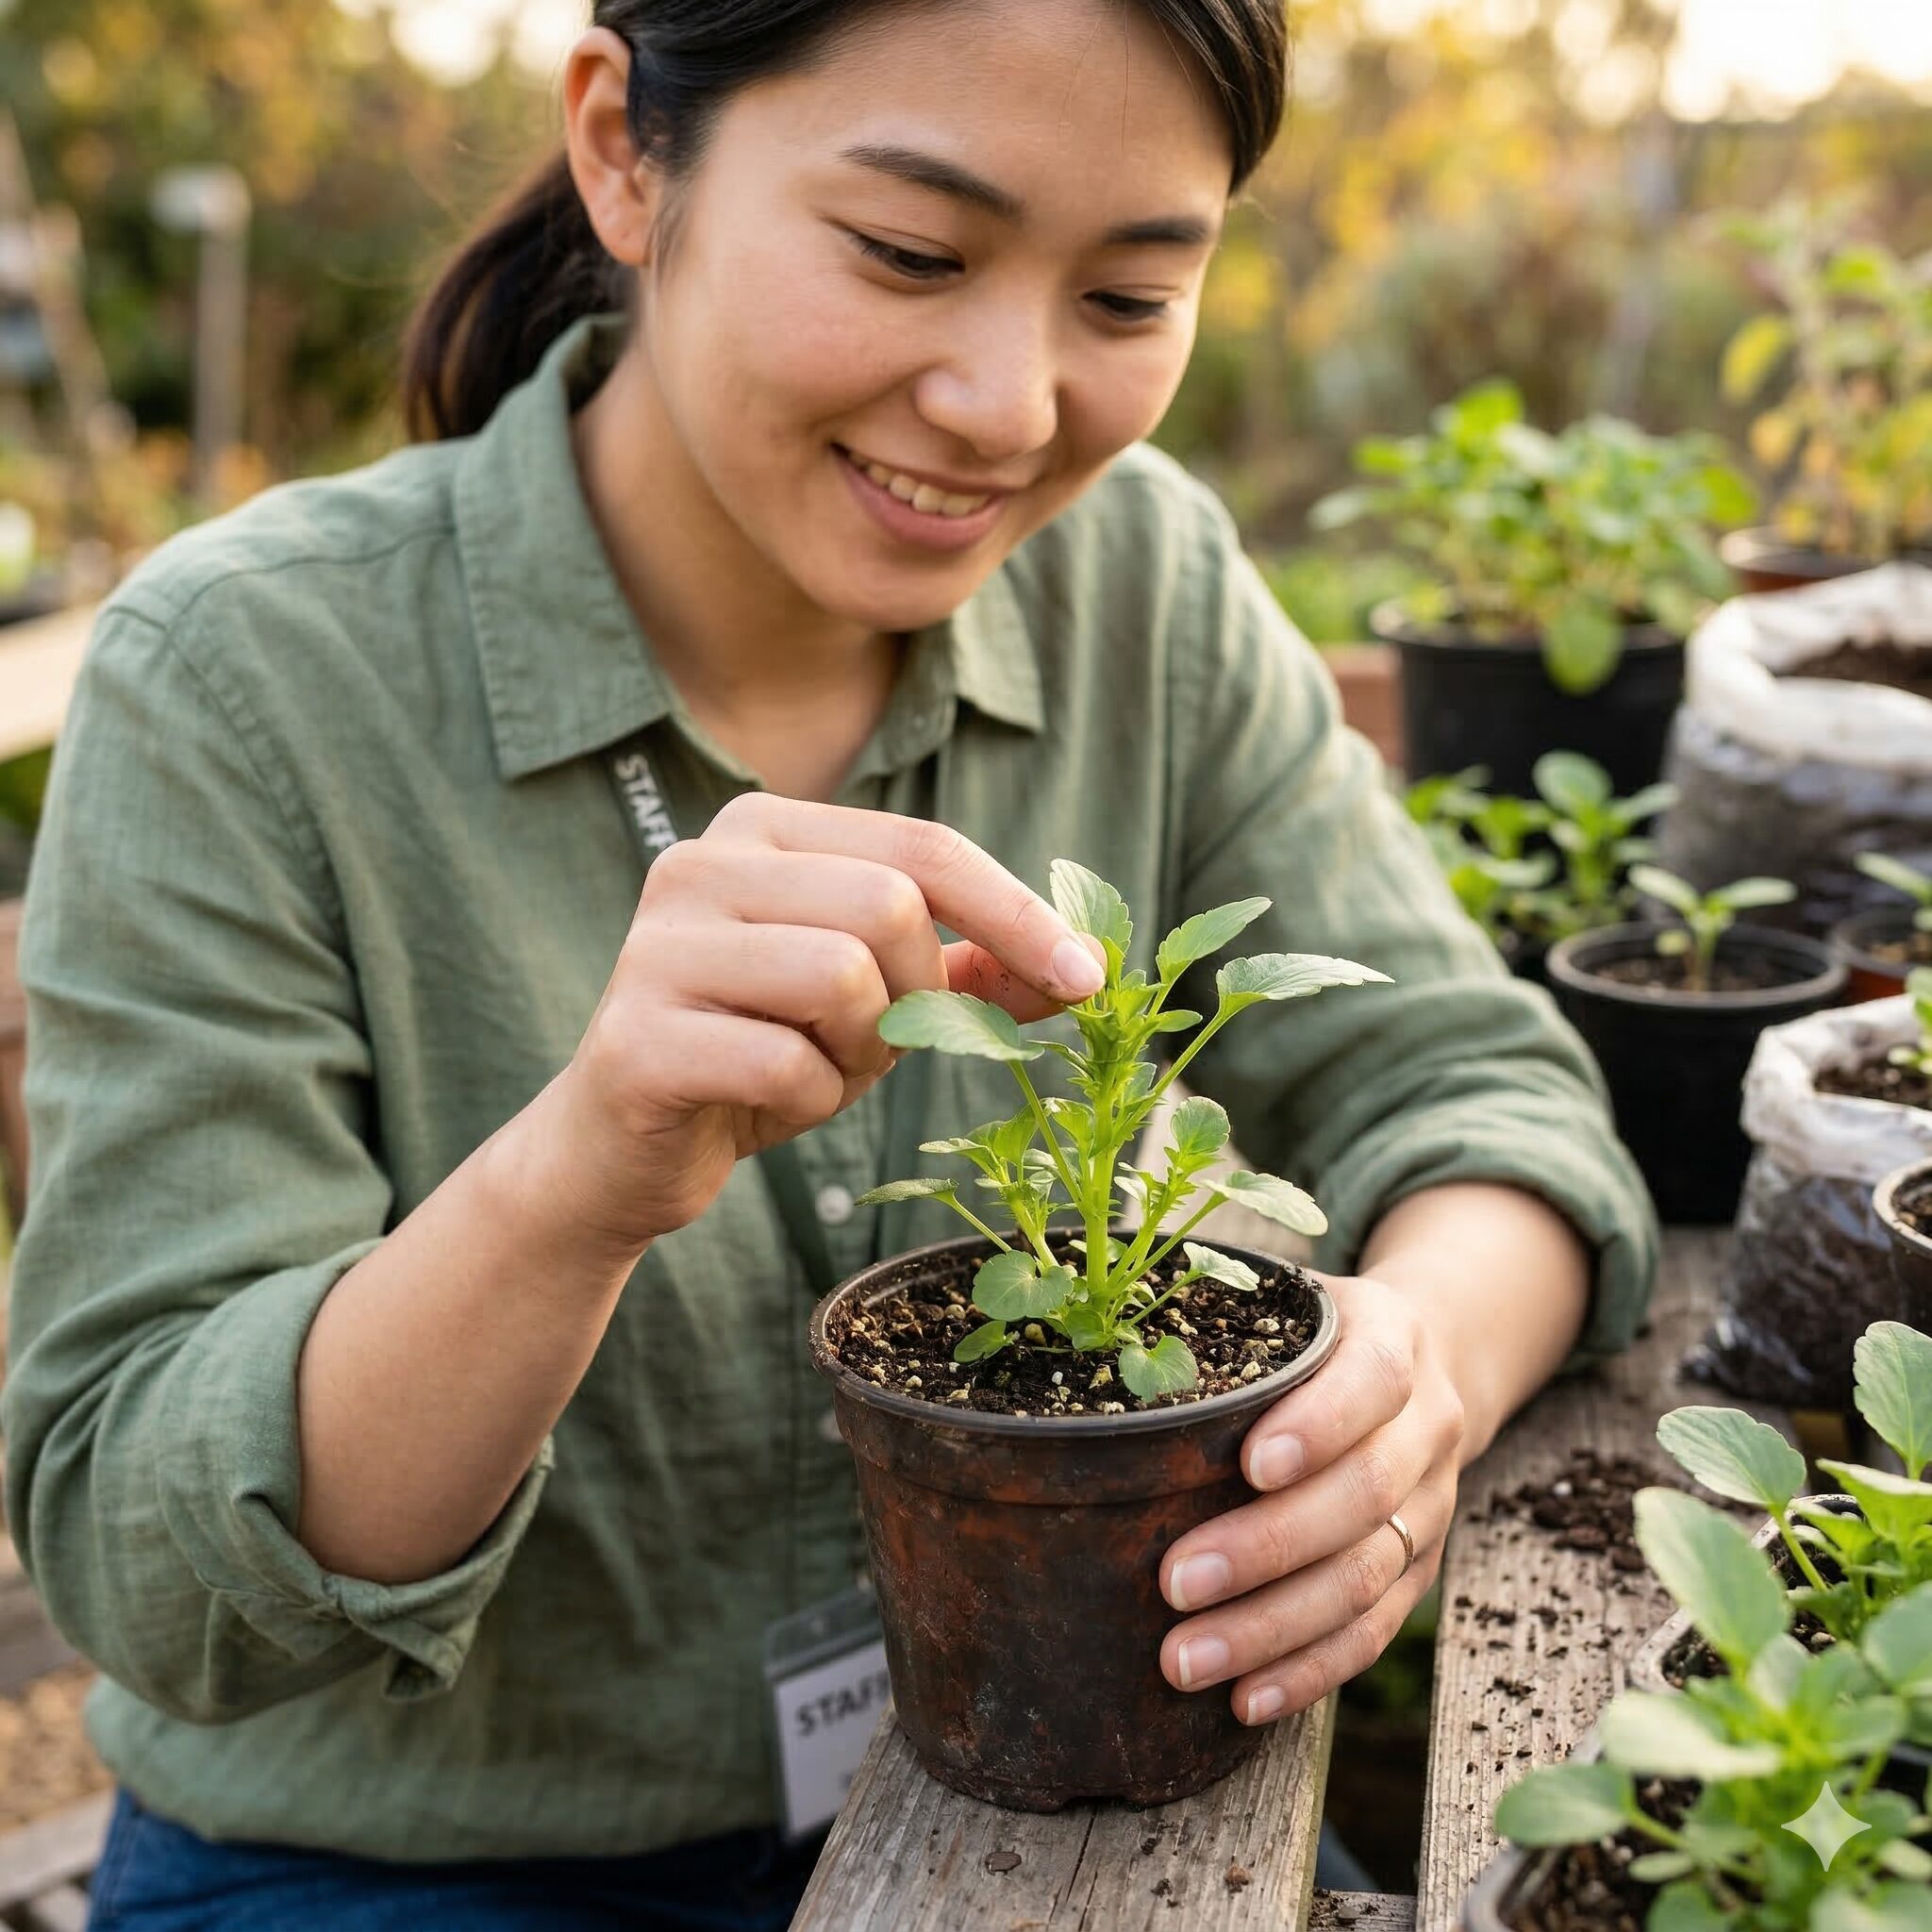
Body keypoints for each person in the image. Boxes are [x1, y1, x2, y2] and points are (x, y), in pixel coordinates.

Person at [2, 3, 1658, 1926]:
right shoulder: (249, 677)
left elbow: (1485, 1096)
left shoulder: (1143, 586)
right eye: (909, 254)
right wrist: (577, 1176)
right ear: (628, 150)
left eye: (1126, 295)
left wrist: (1406, 1384)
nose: (1004, 402)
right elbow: (150, 1563)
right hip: (402, 1865)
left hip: (1058, 1779)